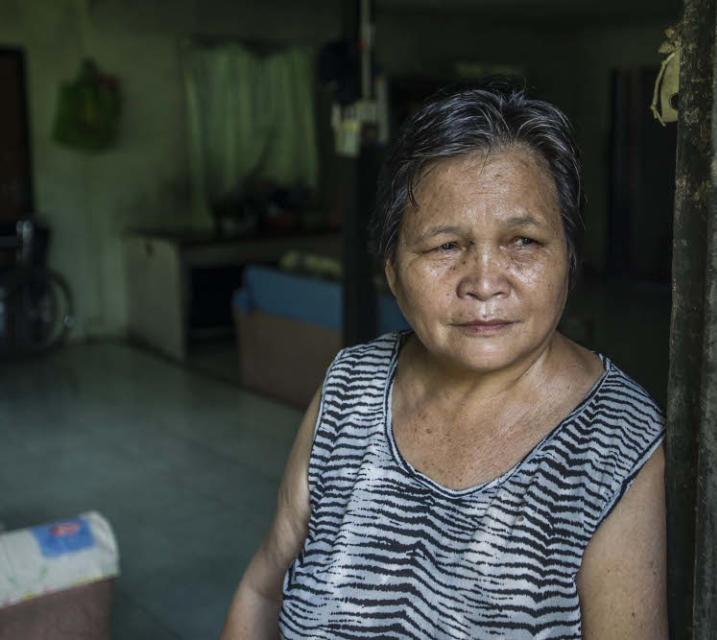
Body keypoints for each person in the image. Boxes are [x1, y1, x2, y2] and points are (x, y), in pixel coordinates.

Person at [221, 84, 667, 639]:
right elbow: (263, 587)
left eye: (523, 241)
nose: (483, 283)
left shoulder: (614, 437)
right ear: (391, 268)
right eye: (445, 246)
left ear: (569, 259)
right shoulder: (351, 387)